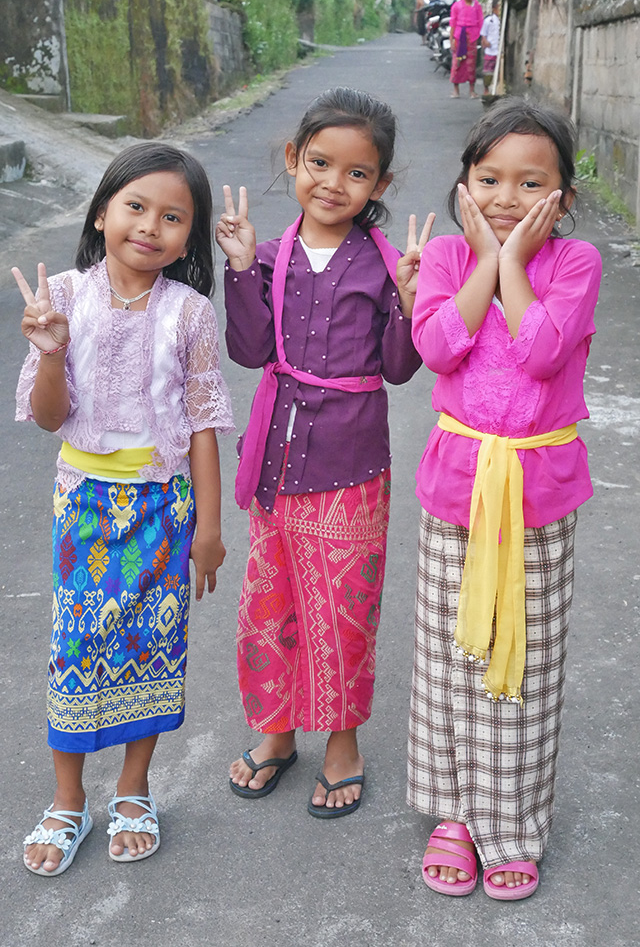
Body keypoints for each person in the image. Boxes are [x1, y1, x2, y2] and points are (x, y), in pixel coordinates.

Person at [15, 142, 234, 875]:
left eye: (173, 217)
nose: (150, 226)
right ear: (103, 211)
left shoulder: (191, 312)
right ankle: (69, 799)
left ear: (188, 235)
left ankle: (134, 787)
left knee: (153, 645)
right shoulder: (67, 296)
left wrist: (209, 526)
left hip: (164, 506)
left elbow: (203, 422)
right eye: (136, 206)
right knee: (76, 645)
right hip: (83, 505)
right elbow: (50, 418)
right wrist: (51, 350)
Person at [216, 87, 435, 818]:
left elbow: (400, 368)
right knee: (269, 603)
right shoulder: (272, 256)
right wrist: (243, 269)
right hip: (276, 462)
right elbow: (250, 351)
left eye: (357, 172)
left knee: (343, 610)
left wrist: (409, 299)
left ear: (380, 183)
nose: (333, 184)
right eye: (319, 163)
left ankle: (342, 741)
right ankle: (276, 732)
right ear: (293, 159)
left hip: (351, 465)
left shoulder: (379, 263)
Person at [407, 99, 602, 899]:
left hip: (537, 492)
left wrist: (514, 266)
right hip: (456, 484)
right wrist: (485, 261)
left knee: (524, 658)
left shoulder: (578, 264)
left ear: (564, 194)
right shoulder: (450, 256)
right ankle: (455, 812)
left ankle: (513, 823)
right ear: (464, 183)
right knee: (453, 656)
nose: (507, 198)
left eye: (531, 182)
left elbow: (544, 352)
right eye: (489, 179)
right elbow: (437, 345)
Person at [449, 0, 484, 99]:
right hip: (459, 37)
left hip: (472, 38)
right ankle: (456, 90)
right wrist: (451, 39)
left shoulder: (477, 6)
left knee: (471, 64)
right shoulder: (456, 6)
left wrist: (482, 37)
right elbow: (453, 23)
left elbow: (480, 22)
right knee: (457, 63)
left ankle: (472, 90)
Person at [480, 0, 501, 95]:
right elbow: (483, 34)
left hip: (499, 50)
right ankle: (486, 89)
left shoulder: (502, 21)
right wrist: (485, 41)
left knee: (498, 70)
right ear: (494, 8)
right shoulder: (489, 20)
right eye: (498, 8)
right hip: (490, 50)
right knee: (488, 71)